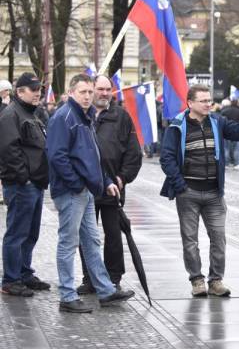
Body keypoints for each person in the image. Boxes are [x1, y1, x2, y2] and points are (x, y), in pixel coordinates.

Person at [47, 74, 135, 313]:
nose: (87, 96)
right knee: (68, 242)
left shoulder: (86, 116)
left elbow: (93, 155)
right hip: (72, 191)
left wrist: (105, 180)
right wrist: (77, 184)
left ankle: (105, 290)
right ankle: (67, 296)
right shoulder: (64, 117)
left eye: (89, 92)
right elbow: (57, 156)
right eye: (82, 92)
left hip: (85, 190)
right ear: (71, 92)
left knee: (92, 241)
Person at [159, 84, 239, 297]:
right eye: (204, 101)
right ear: (190, 103)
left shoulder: (217, 121)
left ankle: (216, 280)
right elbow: (167, 157)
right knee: (190, 239)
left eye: (209, 100)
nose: (209, 104)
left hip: (214, 193)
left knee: (219, 237)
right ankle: (197, 280)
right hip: (189, 192)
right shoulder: (177, 125)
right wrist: (180, 185)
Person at [77, 75, 142, 294]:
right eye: (100, 89)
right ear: (91, 89)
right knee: (86, 235)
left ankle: (113, 278)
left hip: (113, 187)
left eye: (108, 89)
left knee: (113, 235)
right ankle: (89, 278)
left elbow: (133, 153)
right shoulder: (80, 114)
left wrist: (123, 178)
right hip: (85, 188)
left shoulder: (121, 116)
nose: (104, 93)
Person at [0, 73, 51, 297]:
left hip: (34, 183)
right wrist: (25, 178)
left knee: (30, 233)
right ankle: (11, 280)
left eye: (38, 88)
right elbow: (9, 151)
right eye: (33, 89)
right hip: (22, 185)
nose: (37, 92)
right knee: (17, 234)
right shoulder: (11, 114)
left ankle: (24, 272)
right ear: (19, 92)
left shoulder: (30, 112)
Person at [220, 99, 239, 169]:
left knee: (226, 148)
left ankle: (226, 163)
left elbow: (221, 119)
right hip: (237, 130)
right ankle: (237, 163)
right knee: (237, 149)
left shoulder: (225, 111)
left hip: (226, 130)